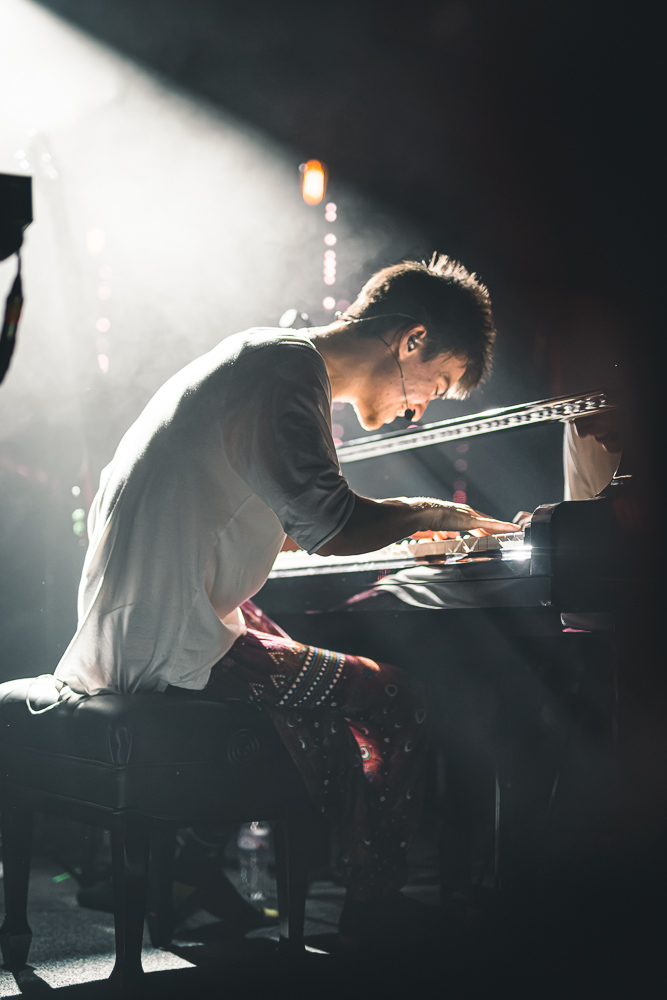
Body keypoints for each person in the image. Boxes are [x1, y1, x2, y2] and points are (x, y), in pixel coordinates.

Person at [54, 254, 519, 948]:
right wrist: (435, 513)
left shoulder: (263, 357)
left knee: (309, 690)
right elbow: (331, 526)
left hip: (138, 622)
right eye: (438, 384)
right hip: (169, 641)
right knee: (399, 699)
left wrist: (405, 531)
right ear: (412, 340)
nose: (419, 408)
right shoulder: (287, 373)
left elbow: (285, 524)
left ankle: (194, 868)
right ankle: (373, 902)